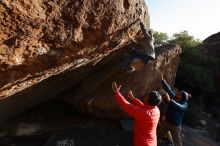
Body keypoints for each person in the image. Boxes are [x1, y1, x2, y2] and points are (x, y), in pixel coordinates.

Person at [112, 82, 162, 146]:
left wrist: (117, 93)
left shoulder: (144, 114)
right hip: (151, 142)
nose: (146, 95)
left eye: (147, 95)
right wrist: (133, 98)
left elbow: (126, 105)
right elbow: (144, 107)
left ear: (148, 99)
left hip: (142, 143)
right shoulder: (156, 110)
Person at [158, 73, 191, 146]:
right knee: (158, 135)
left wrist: (170, 100)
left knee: (177, 142)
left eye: (179, 94)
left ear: (182, 98)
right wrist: (162, 80)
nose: (177, 93)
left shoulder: (184, 105)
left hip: (175, 126)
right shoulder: (175, 97)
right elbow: (168, 90)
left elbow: (178, 106)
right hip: (167, 122)